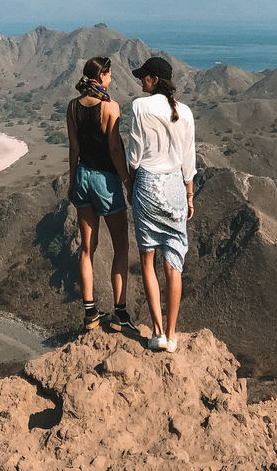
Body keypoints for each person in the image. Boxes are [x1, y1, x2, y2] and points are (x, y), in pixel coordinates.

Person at [126, 56, 196, 352]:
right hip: (175, 189)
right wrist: (190, 195)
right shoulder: (186, 112)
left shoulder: (140, 107)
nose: (141, 80)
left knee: (147, 260)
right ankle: (171, 334)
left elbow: (134, 155)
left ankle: (156, 332)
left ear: (154, 79)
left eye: (144, 76)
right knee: (173, 265)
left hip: (147, 185)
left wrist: (131, 186)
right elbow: (188, 160)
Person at [66, 55, 135, 333]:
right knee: (121, 247)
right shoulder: (110, 107)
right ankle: (120, 313)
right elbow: (116, 150)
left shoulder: (72, 107)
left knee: (87, 249)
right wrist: (127, 181)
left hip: (82, 176)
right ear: (101, 76)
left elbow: (74, 149)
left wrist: (72, 182)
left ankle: (90, 313)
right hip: (105, 181)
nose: (111, 78)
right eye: (109, 74)